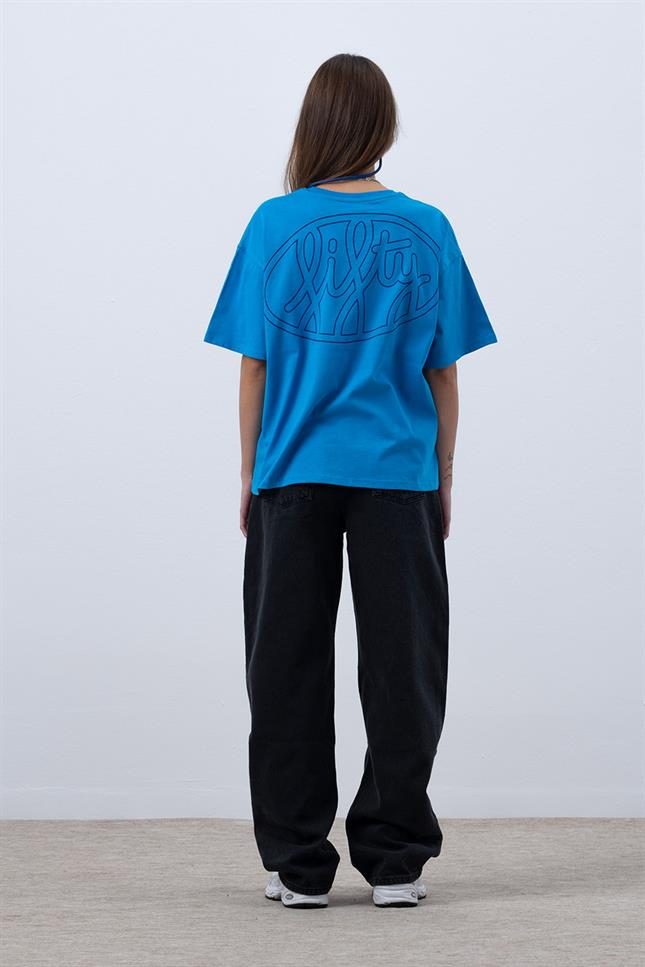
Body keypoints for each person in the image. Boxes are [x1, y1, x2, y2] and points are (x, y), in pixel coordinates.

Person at [204, 53, 497, 909]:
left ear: (314, 124)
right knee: (405, 666)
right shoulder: (426, 227)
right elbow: (443, 372)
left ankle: (297, 863)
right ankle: (395, 859)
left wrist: (250, 472)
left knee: (284, 666)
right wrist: (443, 476)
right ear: (383, 127)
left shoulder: (273, 224)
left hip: (291, 470)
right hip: (397, 474)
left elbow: (254, 367)